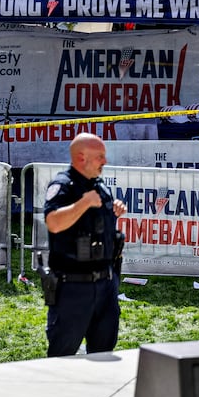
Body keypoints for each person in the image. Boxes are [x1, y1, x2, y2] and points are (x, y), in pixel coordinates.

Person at [42, 132, 127, 357]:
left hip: (105, 284)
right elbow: (53, 222)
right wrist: (83, 203)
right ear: (81, 158)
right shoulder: (64, 185)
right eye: (100, 156)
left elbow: (94, 226)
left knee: (104, 352)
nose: (105, 161)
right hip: (73, 287)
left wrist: (113, 211)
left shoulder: (99, 186)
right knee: (63, 354)